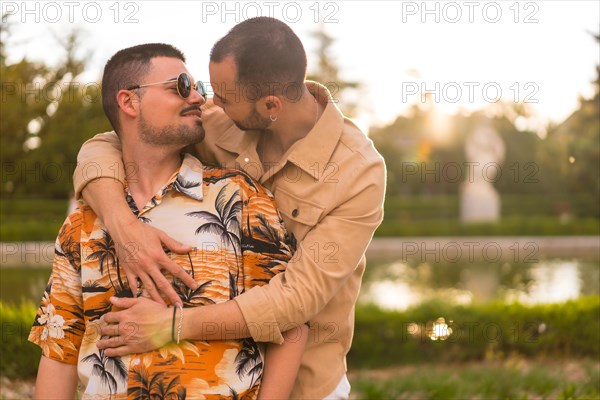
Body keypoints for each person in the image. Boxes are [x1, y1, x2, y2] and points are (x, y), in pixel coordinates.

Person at [74, 17, 386, 399]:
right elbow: (105, 145)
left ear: (270, 105)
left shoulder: (360, 172)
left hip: (306, 382)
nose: (206, 103)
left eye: (223, 97)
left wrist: (171, 325)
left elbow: (297, 298)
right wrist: (125, 228)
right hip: (219, 380)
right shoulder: (219, 122)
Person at [29, 43, 306, 399]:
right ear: (129, 102)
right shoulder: (81, 224)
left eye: (198, 88)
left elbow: (291, 323)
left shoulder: (239, 198)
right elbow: (59, 350)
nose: (197, 98)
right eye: (180, 86)